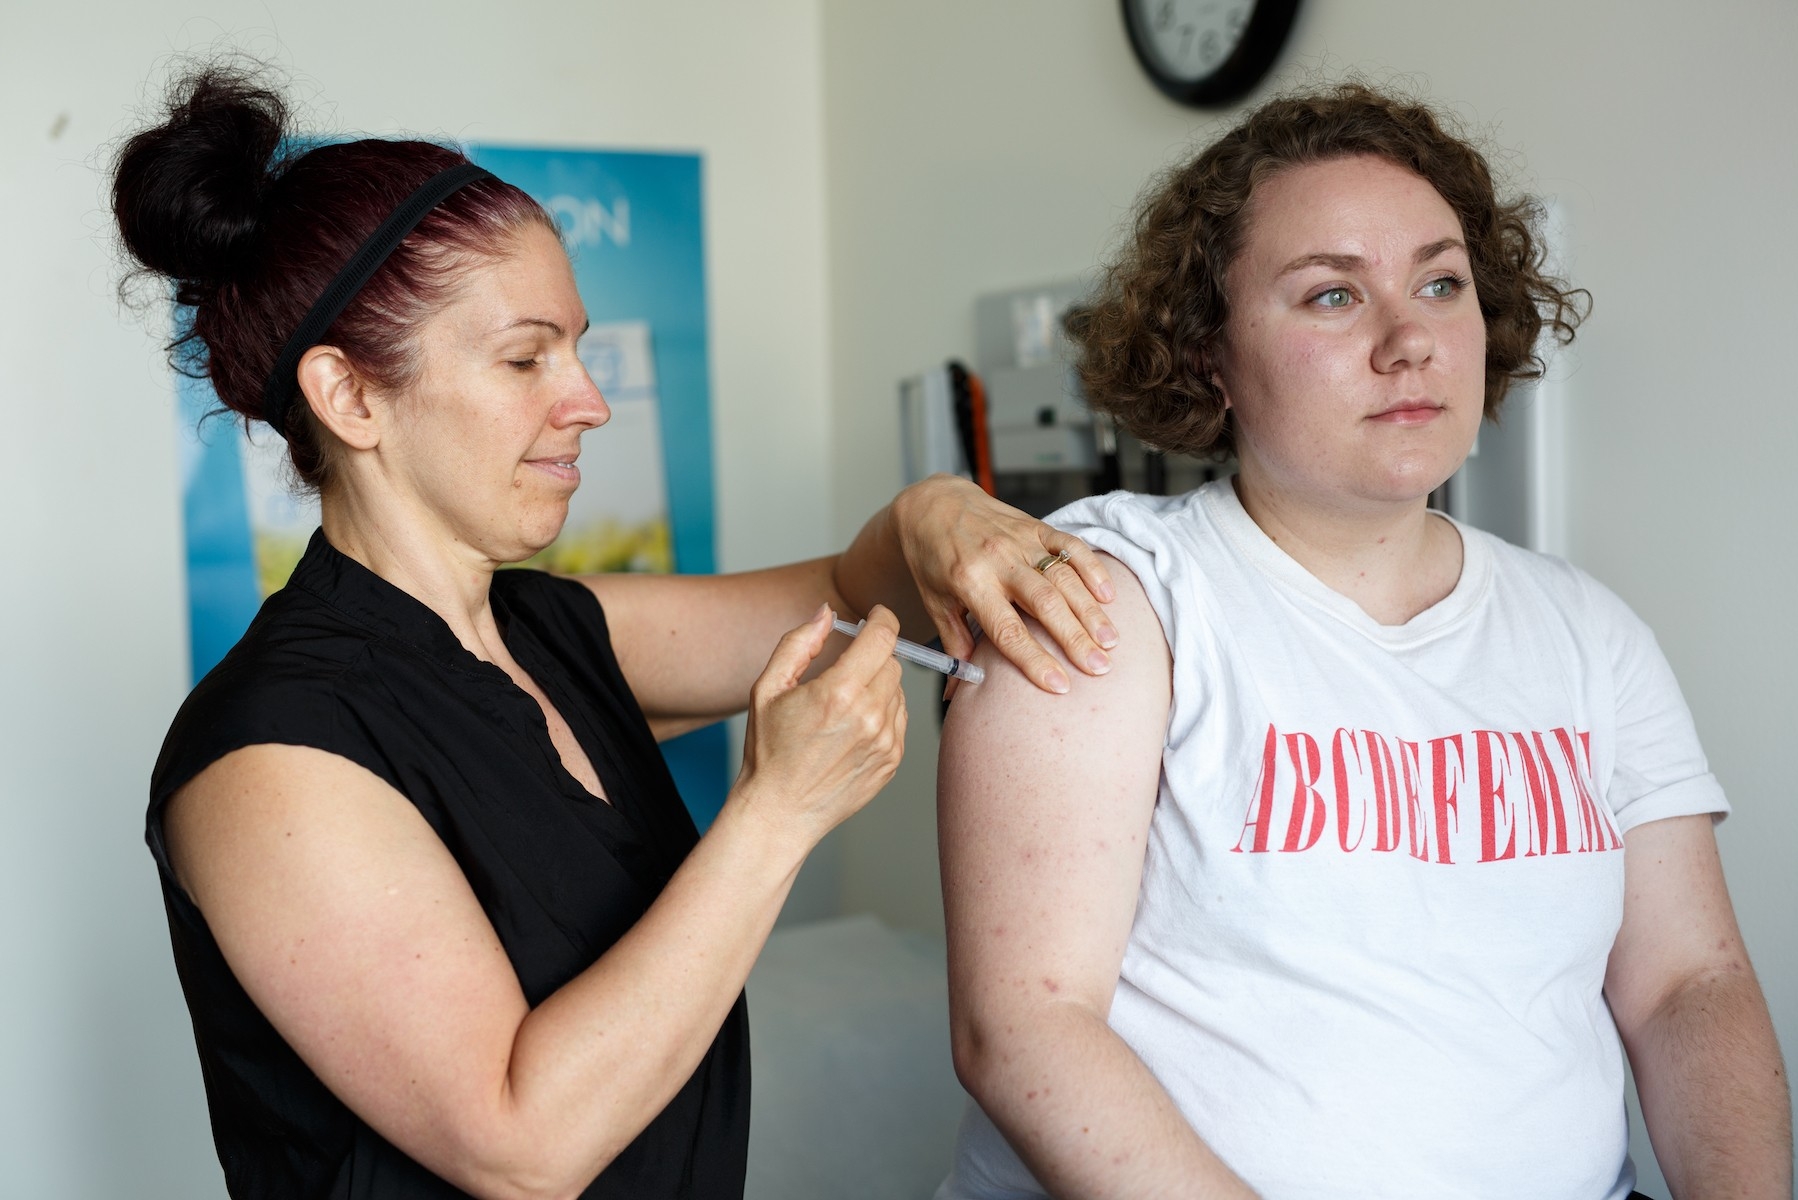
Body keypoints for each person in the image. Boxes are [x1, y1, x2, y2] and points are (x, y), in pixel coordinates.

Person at [117, 67, 1124, 1200]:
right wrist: (779, 809)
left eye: (580, 349)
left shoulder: (551, 629)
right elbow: (519, 1143)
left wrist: (936, 511)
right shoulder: (266, 759)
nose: (589, 400)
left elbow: (850, 587)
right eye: (525, 357)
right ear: (351, 400)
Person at [935, 85, 1792, 1199]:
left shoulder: (1588, 632)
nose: (1409, 342)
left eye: (1441, 283)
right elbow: (1025, 1027)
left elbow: (1689, 982)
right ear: (1209, 355)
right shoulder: (1111, 600)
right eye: (1333, 295)